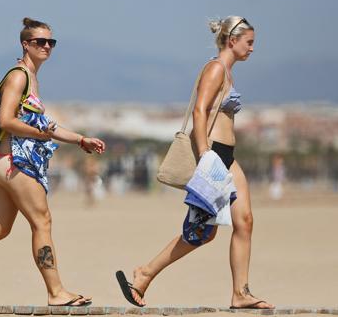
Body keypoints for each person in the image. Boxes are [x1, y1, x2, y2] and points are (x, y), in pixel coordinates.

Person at [0, 17, 106, 307]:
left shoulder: (32, 77)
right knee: (42, 221)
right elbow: (6, 120)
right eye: (40, 42)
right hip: (14, 162)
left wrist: (79, 139)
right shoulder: (19, 76)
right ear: (26, 44)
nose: (47, 46)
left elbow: (46, 125)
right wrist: (39, 133)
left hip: (10, 161)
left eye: (51, 42)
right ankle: (56, 292)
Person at [116, 16, 274, 310]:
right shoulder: (215, 69)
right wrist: (204, 154)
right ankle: (144, 274)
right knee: (201, 232)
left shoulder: (228, 72)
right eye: (249, 42)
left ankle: (240, 292)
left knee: (245, 221)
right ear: (232, 40)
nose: (253, 48)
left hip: (228, 156)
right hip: (212, 154)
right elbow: (200, 111)